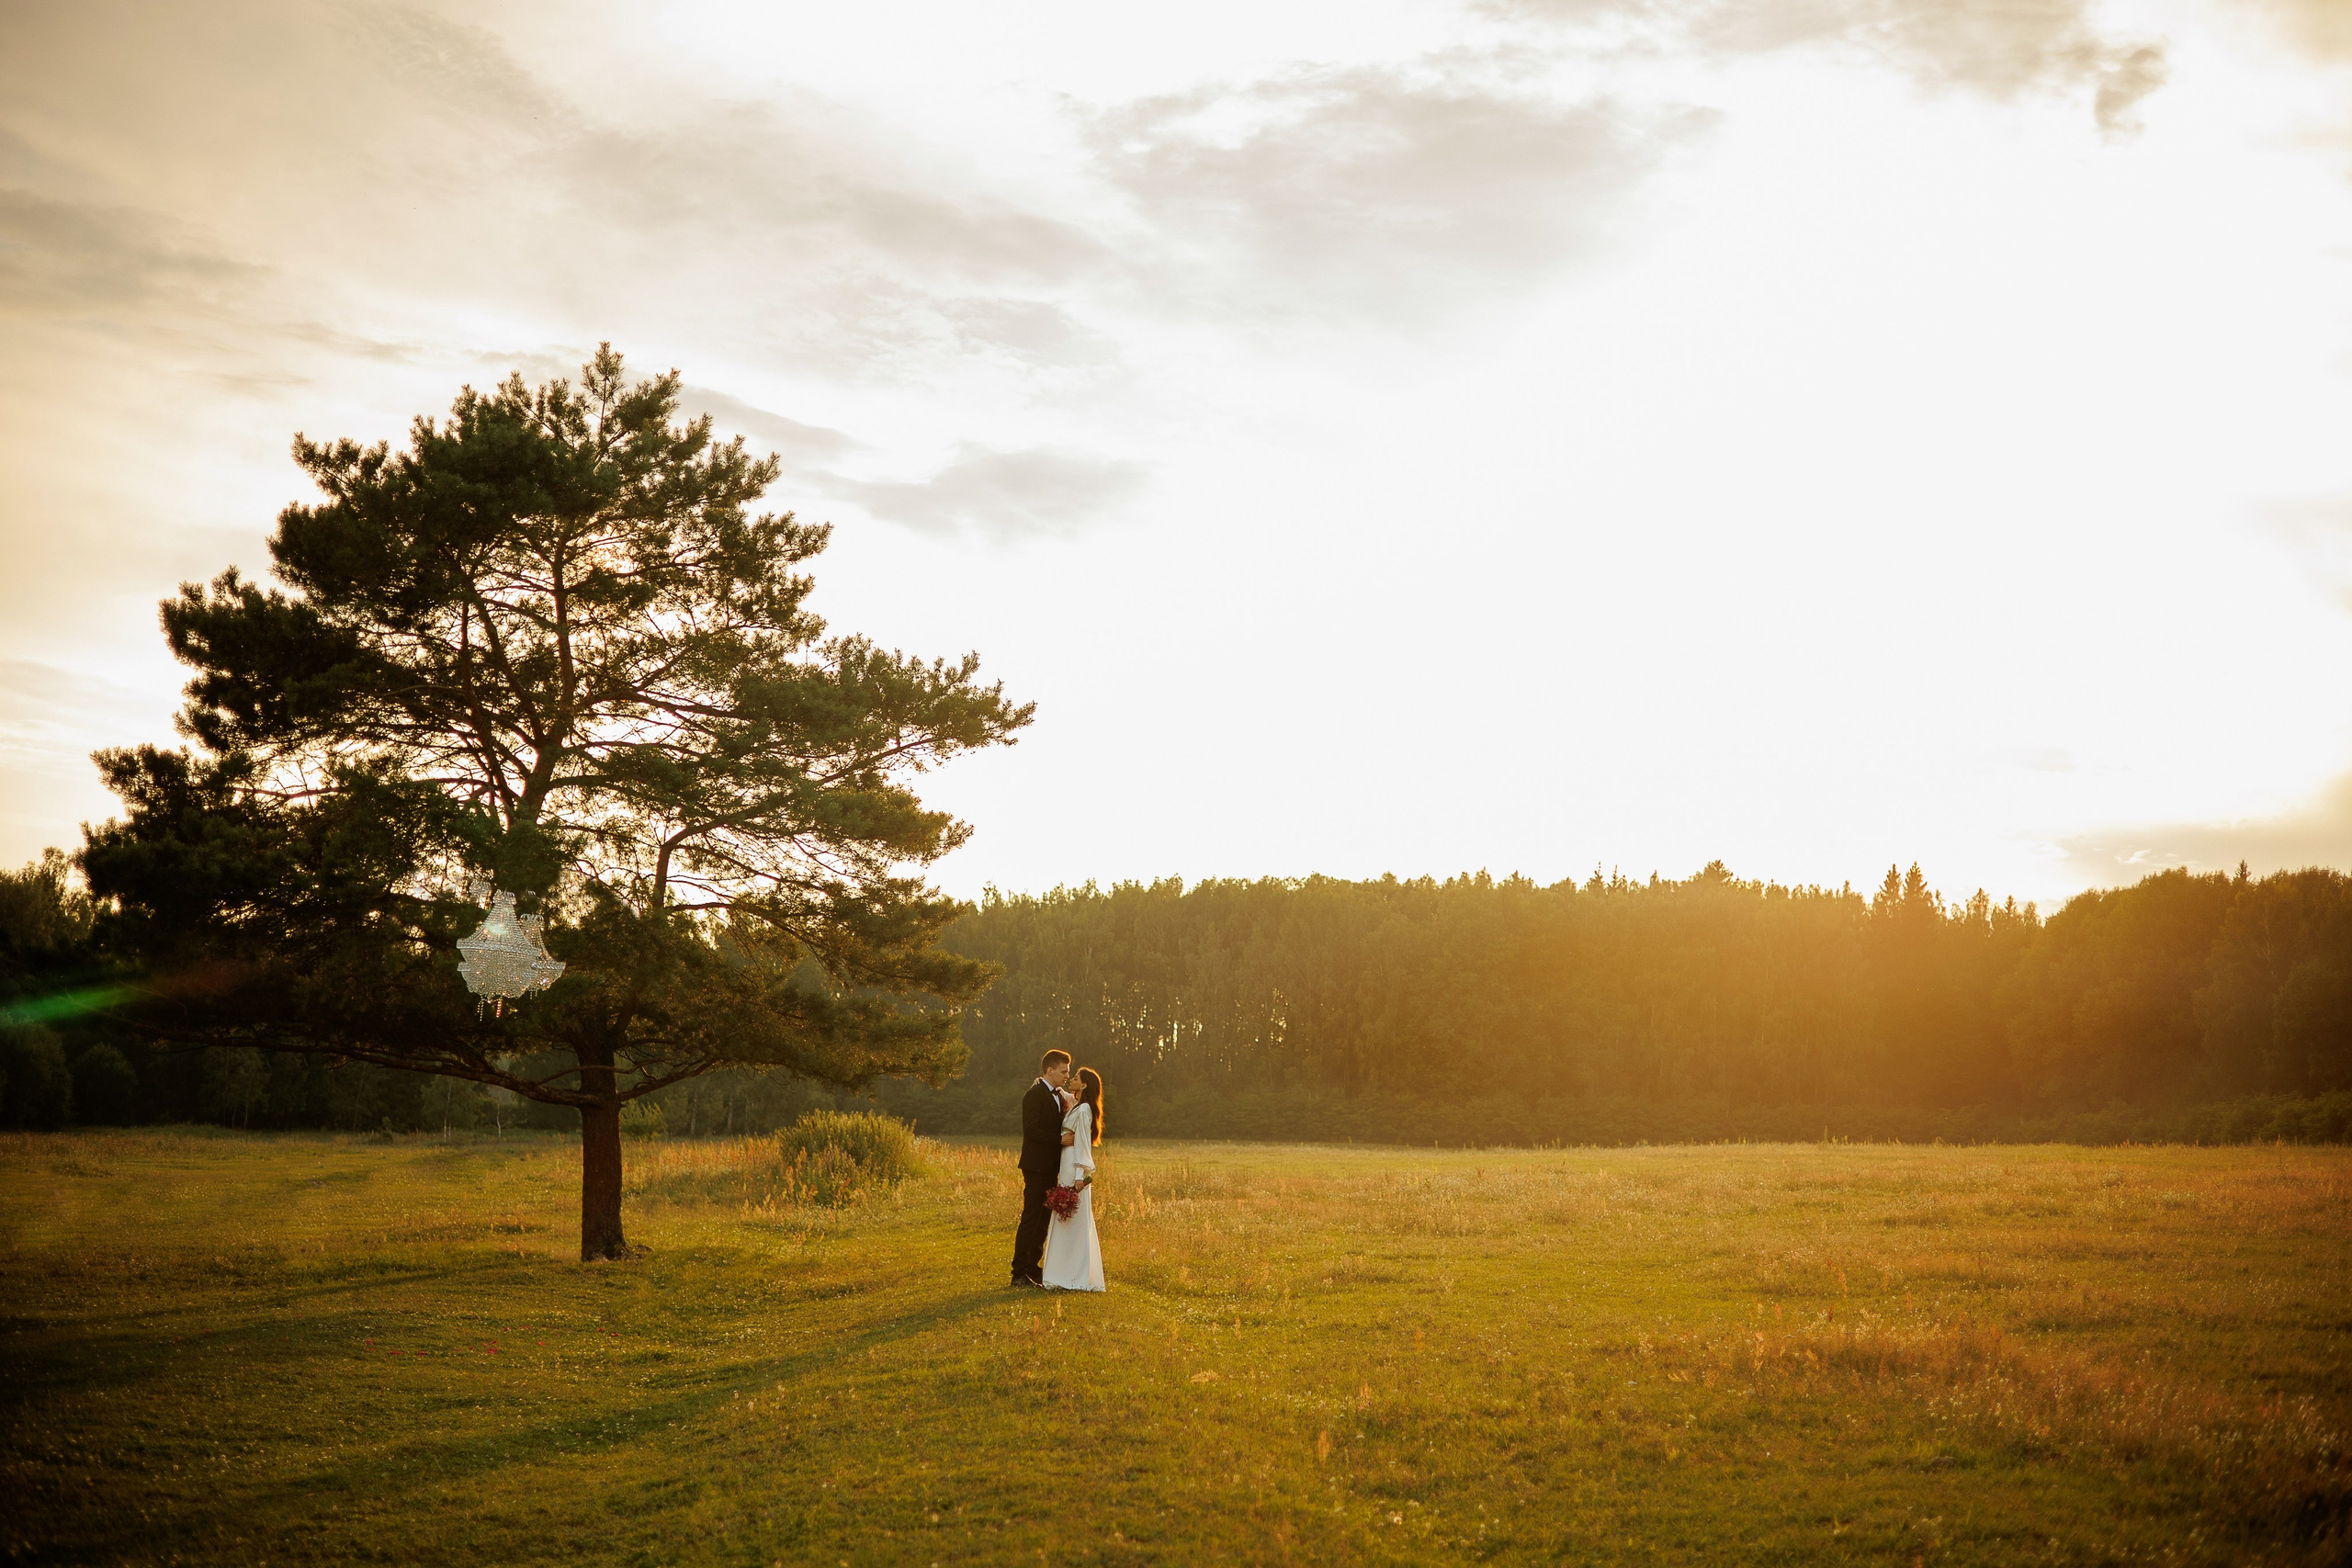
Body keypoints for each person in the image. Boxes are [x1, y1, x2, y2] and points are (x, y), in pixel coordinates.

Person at [1010, 1050, 1072, 1287]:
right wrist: (1059, 1140)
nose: (1067, 1075)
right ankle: (1018, 1272)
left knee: (1044, 1219)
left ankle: (1033, 1268)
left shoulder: (1058, 1095)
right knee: (1031, 1217)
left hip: (1050, 1168)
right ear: (1050, 1070)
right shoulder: (1034, 1095)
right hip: (1035, 1167)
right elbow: (1032, 1130)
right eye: (1063, 1071)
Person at [1041, 1066, 1104, 1292]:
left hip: (1074, 1167)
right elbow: (1061, 1091)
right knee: (1065, 1217)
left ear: (1084, 1085)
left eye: (1075, 1078)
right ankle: (1062, 1271)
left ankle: (1075, 1274)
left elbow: (1083, 1145)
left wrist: (1080, 1175)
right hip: (1066, 1165)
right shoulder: (1076, 1105)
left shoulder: (1085, 1109)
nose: (1070, 1079)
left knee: (1074, 1218)